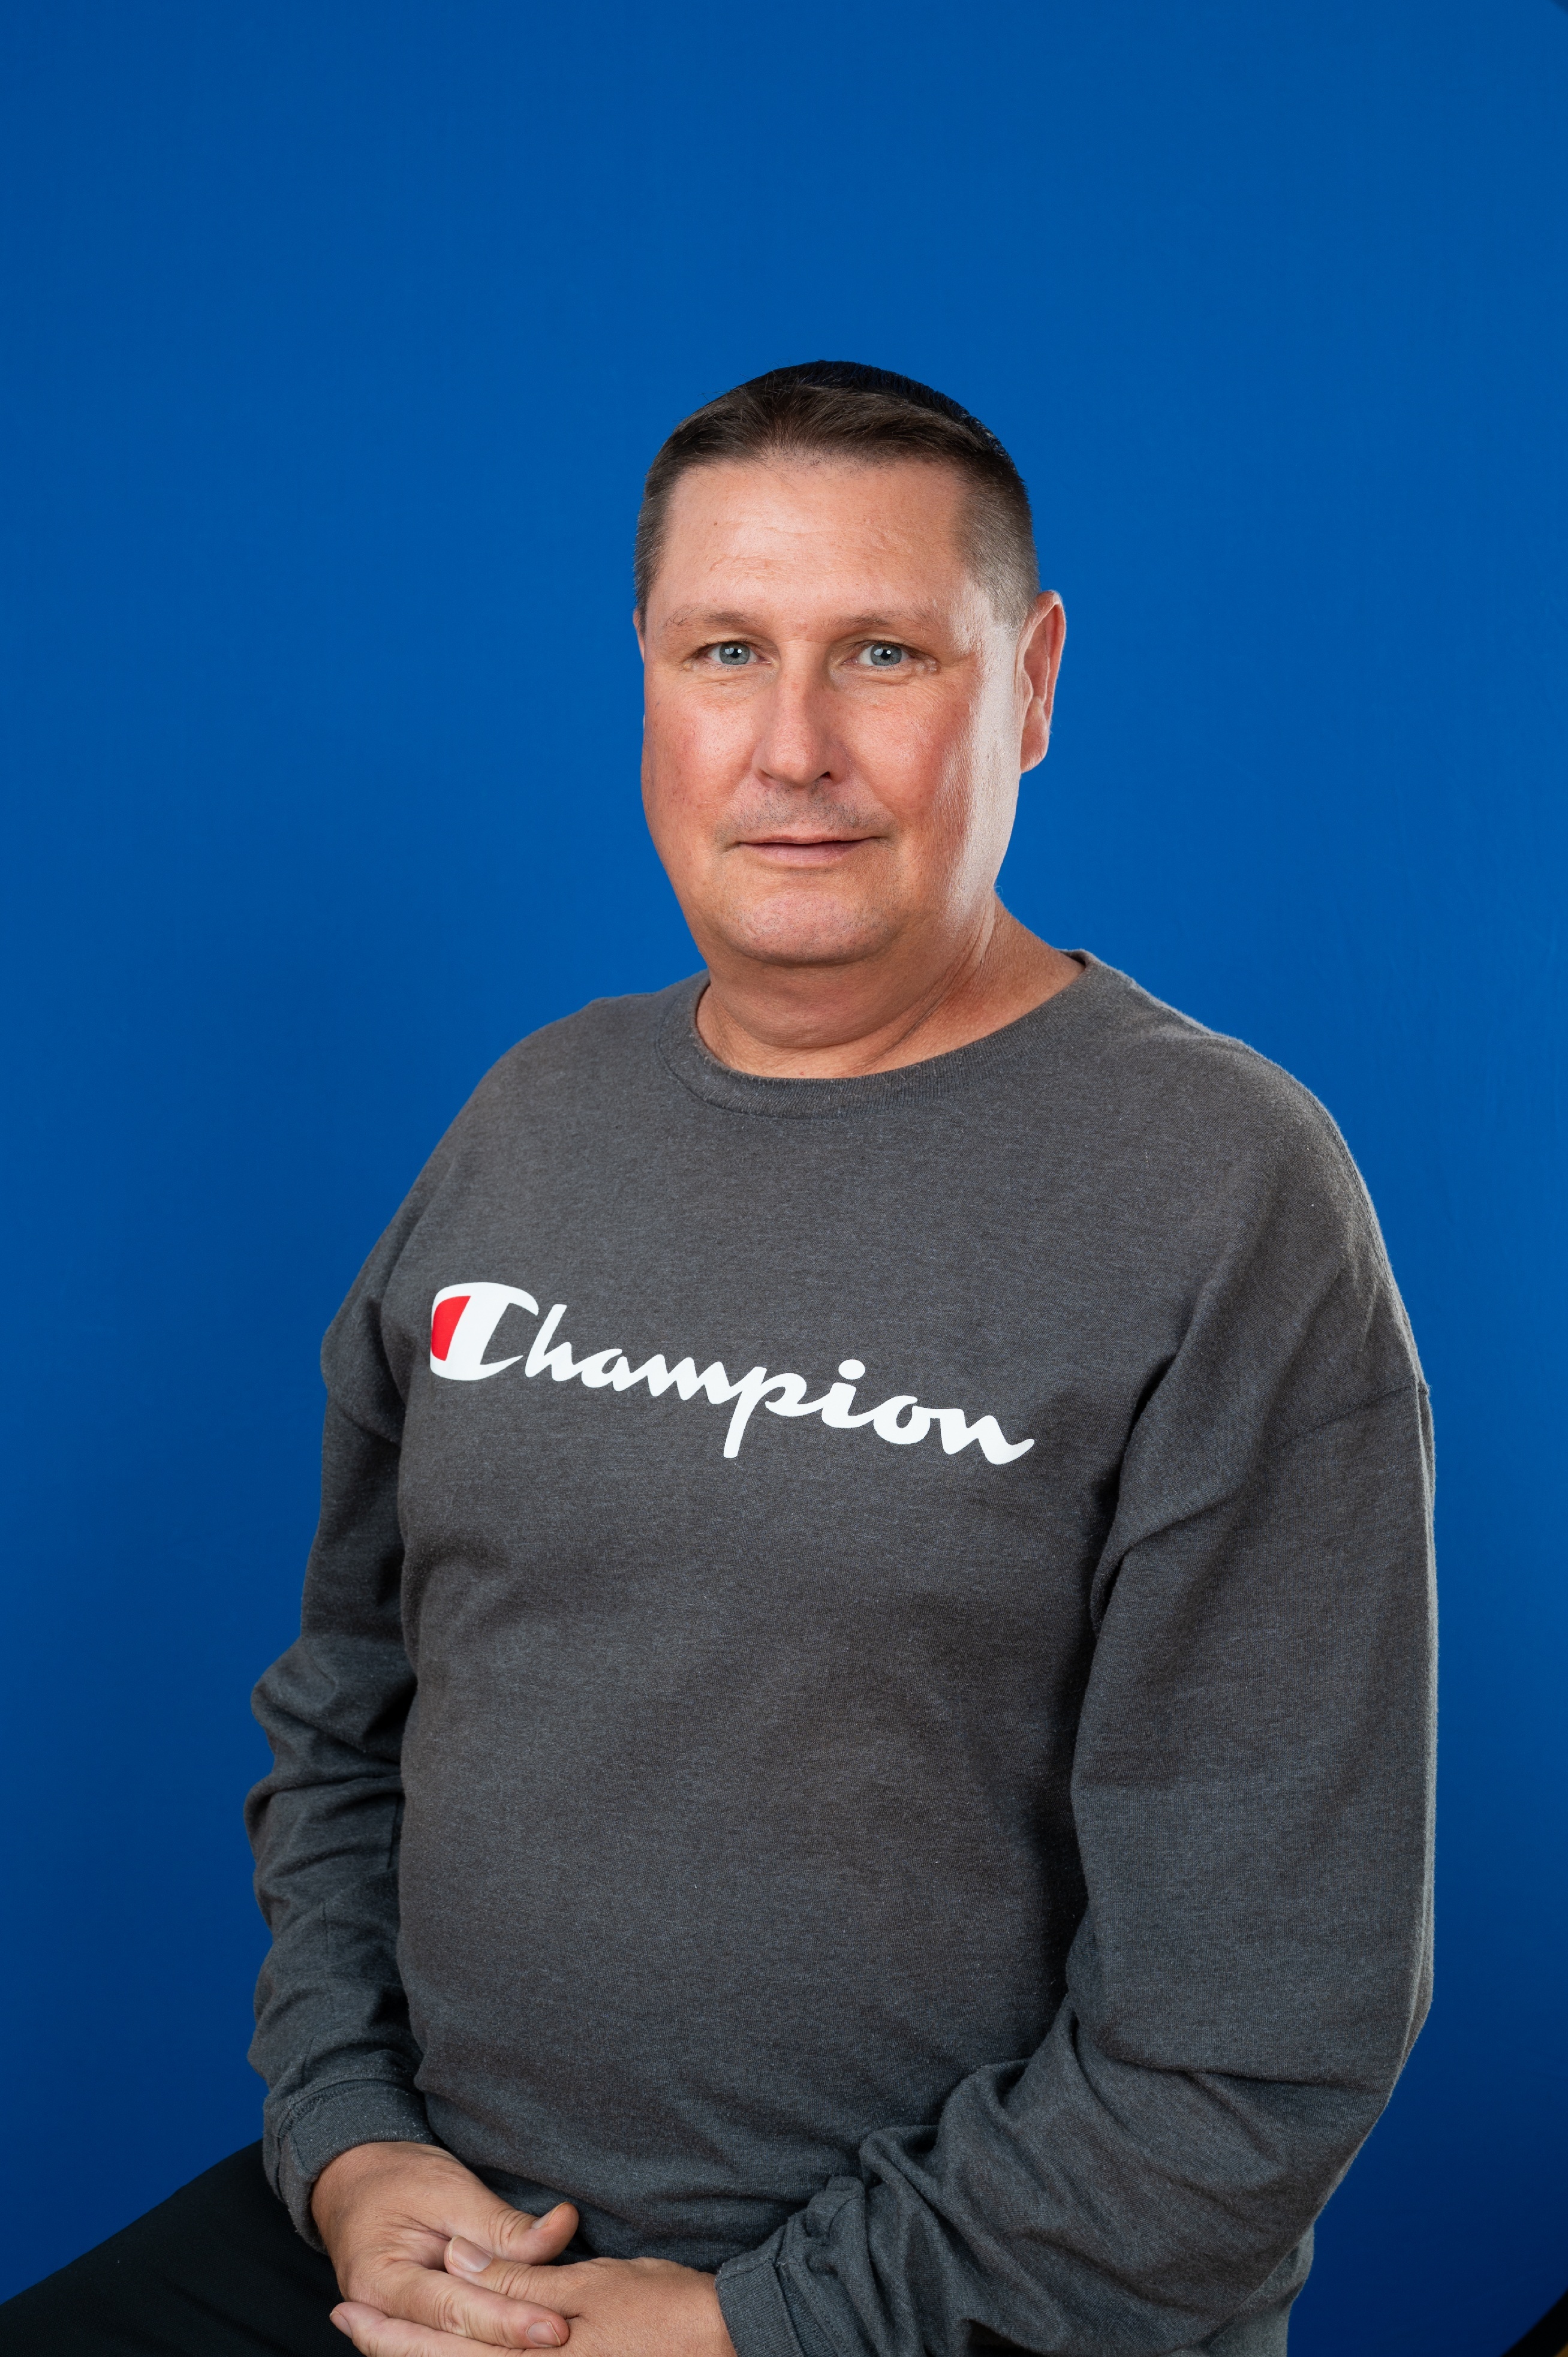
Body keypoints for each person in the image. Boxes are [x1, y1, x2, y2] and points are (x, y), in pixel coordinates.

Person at [0, 362, 1435, 2357]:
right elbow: (346, 1708)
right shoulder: (532, 1120)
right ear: (651, 680)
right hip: (432, 2242)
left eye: (882, 654)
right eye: (726, 650)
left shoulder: (1225, 1190)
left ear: (1029, 684)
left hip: (937, 2308)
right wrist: (349, 2145)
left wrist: (750, 2323)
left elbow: (1257, 2035)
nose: (792, 747)